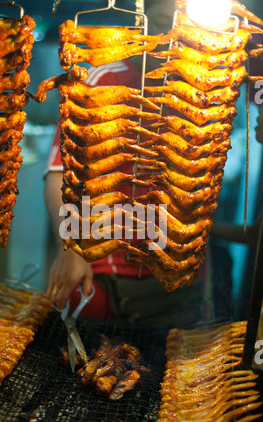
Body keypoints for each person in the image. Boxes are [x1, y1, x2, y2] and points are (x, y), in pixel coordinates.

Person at [44, 0, 262, 327]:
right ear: (141, 22)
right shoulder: (100, 80)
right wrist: (71, 245)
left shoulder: (205, 91)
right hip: (100, 271)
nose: (169, 35)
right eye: (160, 22)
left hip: (176, 278)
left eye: (181, 24)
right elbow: (58, 177)